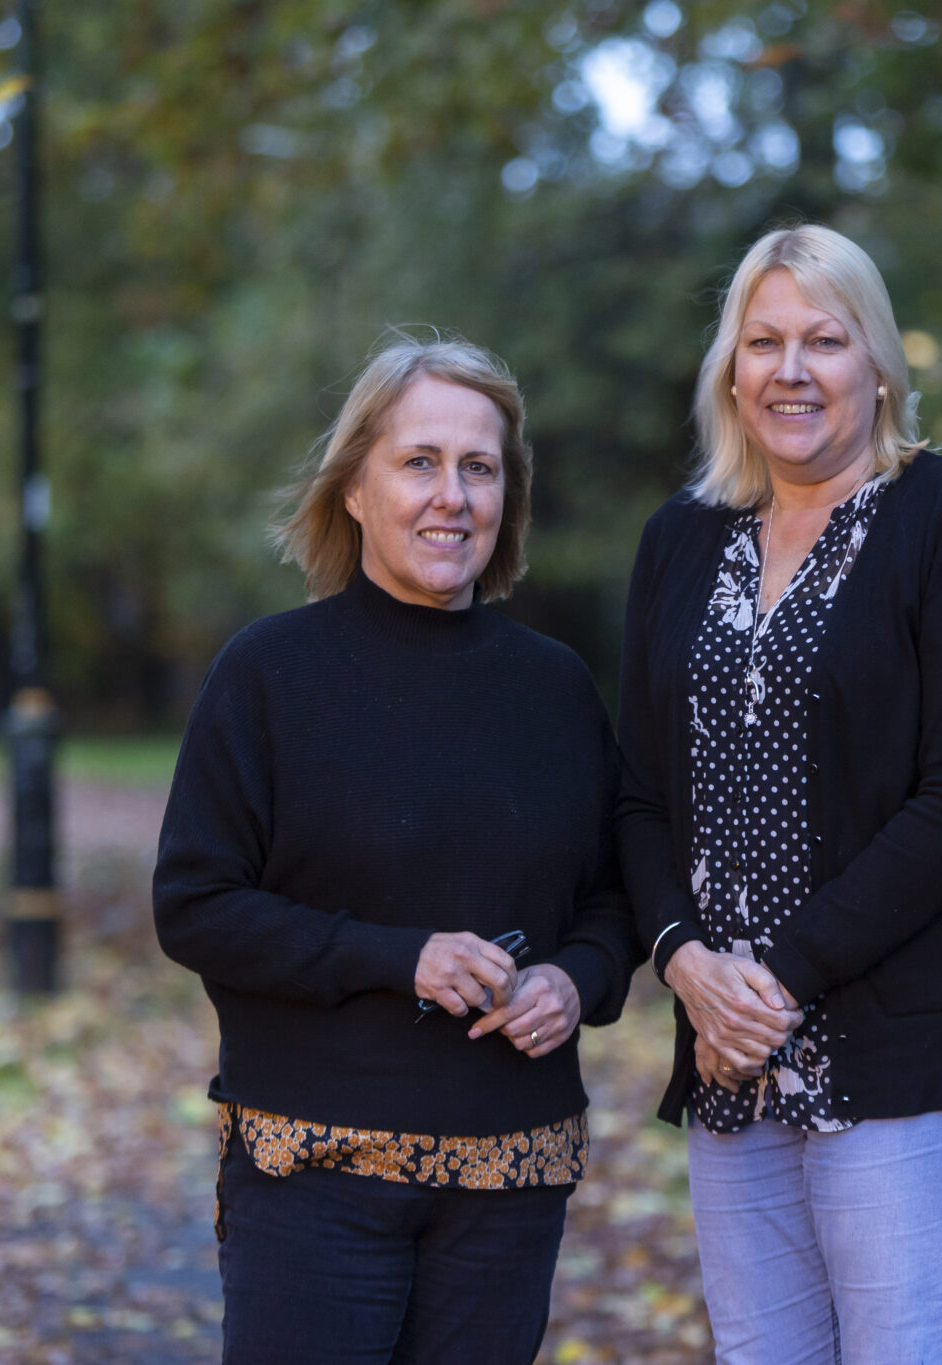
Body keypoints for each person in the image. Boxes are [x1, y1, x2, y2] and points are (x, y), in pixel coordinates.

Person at [154, 332, 637, 1365]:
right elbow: (195, 903)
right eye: (418, 462)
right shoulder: (270, 675)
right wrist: (397, 957)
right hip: (314, 1173)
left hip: (509, 1179)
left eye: (478, 468)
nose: (449, 496)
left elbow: (611, 900)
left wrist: (575, 978)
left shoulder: (553, 689)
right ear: (356, 490)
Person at [616, 224, 942, 1364]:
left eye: (824, 339)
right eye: (763, 342)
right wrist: (684, 964)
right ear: (729, 372)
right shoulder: (680, 541)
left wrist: (775, 982)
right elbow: (637, 796)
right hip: (730, 1059)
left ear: (879, 366)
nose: (791, 370)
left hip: (911, 1051)